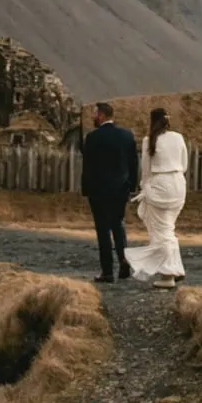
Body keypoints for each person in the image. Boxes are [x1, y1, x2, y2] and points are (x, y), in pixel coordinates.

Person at [125, 107, 188, 290]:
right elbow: (183, 164)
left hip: (160, 184)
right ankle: (176, 269)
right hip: (178, 183)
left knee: (161, 232)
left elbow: (146, 170)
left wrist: (145, 189)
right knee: (168, 229)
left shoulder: (149, 141)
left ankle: (168, 276)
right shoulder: (178, 137)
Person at [79, 100, 138, 282]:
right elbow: (133, 164)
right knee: (118, 225)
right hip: (120, 189)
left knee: (103, 230)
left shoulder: (93, 137)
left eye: (95, 114)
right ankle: (124, 261)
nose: (92, 117)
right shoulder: (127, 136)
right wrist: (131, 186)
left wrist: (86, 189)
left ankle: (107, 271)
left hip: (99, 190)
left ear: (102, 116)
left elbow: (88, 167)